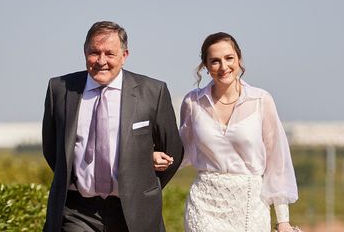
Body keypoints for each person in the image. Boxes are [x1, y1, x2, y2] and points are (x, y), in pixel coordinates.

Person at [43, 21, 184, 232]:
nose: (101, 61)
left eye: (109, 53)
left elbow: (172, 151)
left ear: (124, 55)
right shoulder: (60, 89)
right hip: (76, 211)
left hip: (133, 211)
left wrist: (140, 184)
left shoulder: (153, 92)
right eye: (94, 52)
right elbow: (52, 150)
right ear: (84, 52)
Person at [153, 32, 300, 232]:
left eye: (229, 58)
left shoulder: (261, 100)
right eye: (215, 61)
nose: (223, 67)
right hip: (204, 205)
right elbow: (182, 152)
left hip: (250, 205)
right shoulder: (192, 102)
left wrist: (283, 220)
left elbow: (277, 161)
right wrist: (151, 158)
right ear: (205, 66)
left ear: (239, 59)